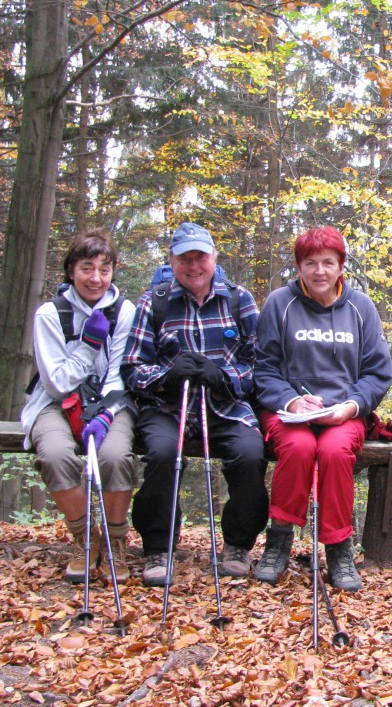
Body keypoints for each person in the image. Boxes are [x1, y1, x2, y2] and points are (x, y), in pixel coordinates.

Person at [122, 221, 268, 587]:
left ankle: (237, 544)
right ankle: (158, 546)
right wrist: (166, 376)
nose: (193, 265)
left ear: (213, 258)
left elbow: (262, 365)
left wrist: (226, 378)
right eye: (184, 258)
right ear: (172, 262)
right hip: (169, 408)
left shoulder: (239, 299)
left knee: (250, 453)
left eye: (200, 257)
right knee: (160, 453)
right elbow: (132, 369)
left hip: (226, 407)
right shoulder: (153, 301)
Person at [252, 226, 392, 591]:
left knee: (332, 451)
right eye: (310, 263)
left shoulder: (361, 307)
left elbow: (378, 373)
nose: (319, 272)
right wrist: (292, 400)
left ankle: (339, 550)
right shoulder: (279, 304)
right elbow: (263, 368)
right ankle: (278, 543)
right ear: (298, 266)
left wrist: (351, 406)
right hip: (289, 410)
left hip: (343, 412)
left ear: (340, 266)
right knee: (298, 448)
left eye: (328, 263)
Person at [21, 229, 138, 583]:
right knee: (55, 454)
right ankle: (86, 538)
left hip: (110, 404)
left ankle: (115, 541)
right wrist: (88, 345)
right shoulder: (49, 314)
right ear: (71, 270)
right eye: (87, 268)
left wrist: (105, 412)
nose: (96, 278)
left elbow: (121, 371)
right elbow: (55, 382)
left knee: (115, 456)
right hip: (55, 404)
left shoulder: (125, 310)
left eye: (104, 269)